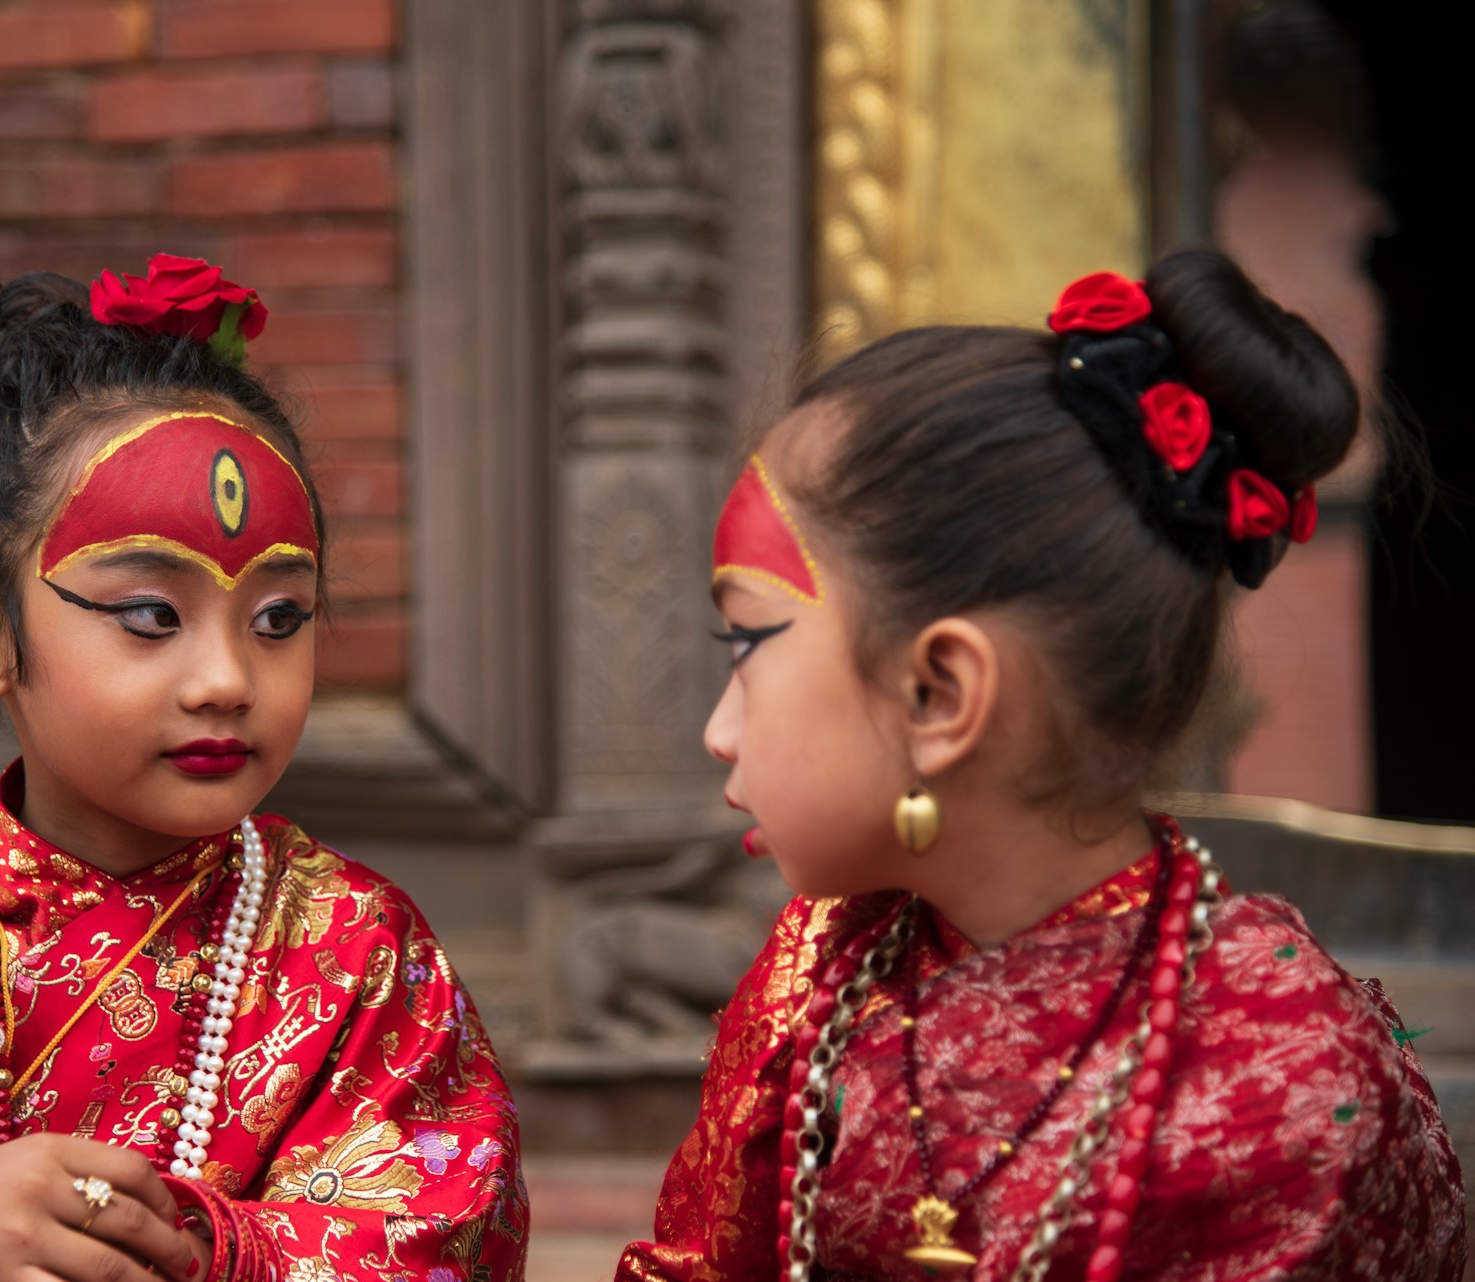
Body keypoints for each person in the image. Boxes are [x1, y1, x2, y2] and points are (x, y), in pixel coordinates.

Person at [617, 248, 1467, 1281]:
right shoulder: (826, 967)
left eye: (747, 650)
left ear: (941, 696)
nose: (720, 728)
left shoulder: (1277, 1065)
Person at [0, 255, 527, 1282]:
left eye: (280, 617)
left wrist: (159, 1239)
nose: (228, 677)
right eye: (151, 616)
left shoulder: (357, 949)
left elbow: (436, 1237)